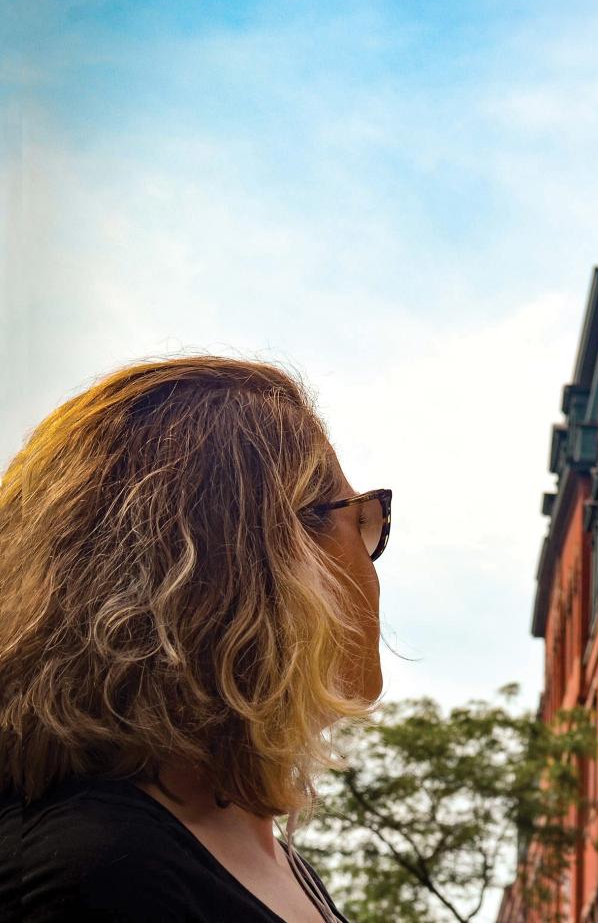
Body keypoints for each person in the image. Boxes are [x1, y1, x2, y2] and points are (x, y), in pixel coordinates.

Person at [0, 355, 392, 922]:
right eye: (360, 519)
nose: (370, 562)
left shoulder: (257, 851)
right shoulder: (97, 875)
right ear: (259, 561)